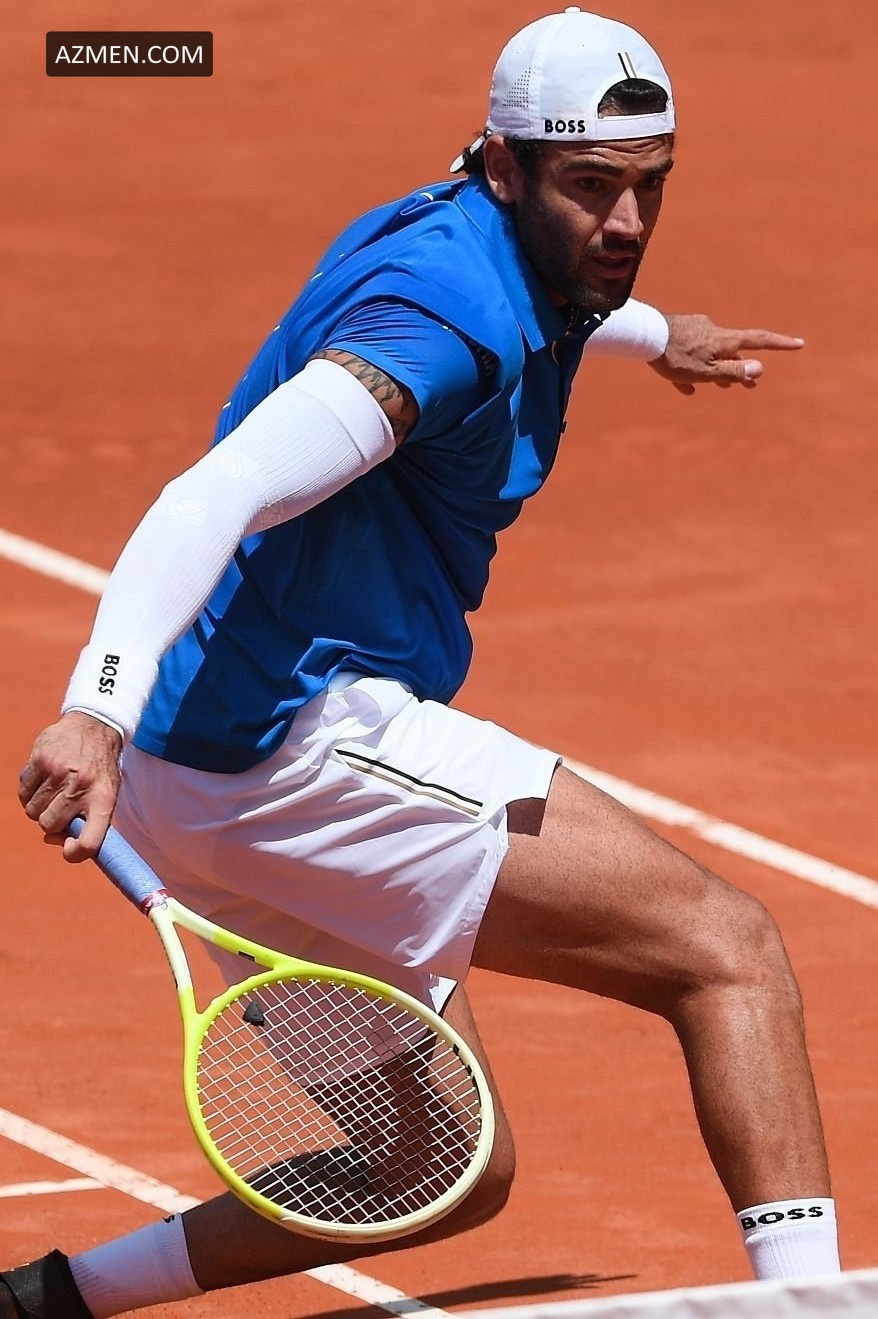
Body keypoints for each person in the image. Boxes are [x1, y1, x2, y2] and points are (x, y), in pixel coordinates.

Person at [5, 7, 840, 1317]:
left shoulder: (476, 236)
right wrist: (91, 710)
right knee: (725, 949)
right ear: (505, 164)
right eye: (592, 185)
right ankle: (813, 1309)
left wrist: (654, 331)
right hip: (292, 748)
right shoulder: (435, 324)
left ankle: (46, 1301)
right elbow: (215, 491)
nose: (625, 220)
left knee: (432, 1168)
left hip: (189, 777)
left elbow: (554, 302)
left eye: (650, 185)